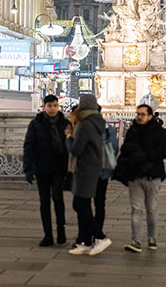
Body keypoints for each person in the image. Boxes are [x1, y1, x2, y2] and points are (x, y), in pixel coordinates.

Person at [114, 104, 166, 253]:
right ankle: (136, 240)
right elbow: (125, 148)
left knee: (151, 208)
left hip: (153, 175)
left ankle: (152, 237)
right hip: (135, 175)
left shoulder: (159, 132)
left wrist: (144, 155)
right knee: (136, 208)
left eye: (142, 114)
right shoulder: (132, 130)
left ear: (150, 116)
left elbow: (163, 151)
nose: (139, 116)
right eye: (138, 114)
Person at [65, 94, 111, 256]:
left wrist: (69, 136)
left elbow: (76, 149)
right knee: (82, 203)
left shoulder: (85, 125)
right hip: (92, 167)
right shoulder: (96, 122)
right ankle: (84, 241)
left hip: (85, 168)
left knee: (79, 204)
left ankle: (100, 237)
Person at [23, 94, 70, 246]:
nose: (52, 109)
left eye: (55, 106)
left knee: (57, 197)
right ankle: (48, 234)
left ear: (58, 107)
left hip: (59, 167)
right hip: (42, 167)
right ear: (44, 107)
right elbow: (29, 146)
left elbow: (70, 146)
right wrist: (28, 168)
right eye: (49, 106)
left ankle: (61, 230)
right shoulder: (36, 124)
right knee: (44, 202)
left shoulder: (65, 123)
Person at [95, 111, 119, 233]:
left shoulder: (83, 126)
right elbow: (114, 148)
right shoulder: (109, 129)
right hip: (103, 171)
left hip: (87, 172)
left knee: (82, 204)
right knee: (100, 203)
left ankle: (88, 234)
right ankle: (98, 231)